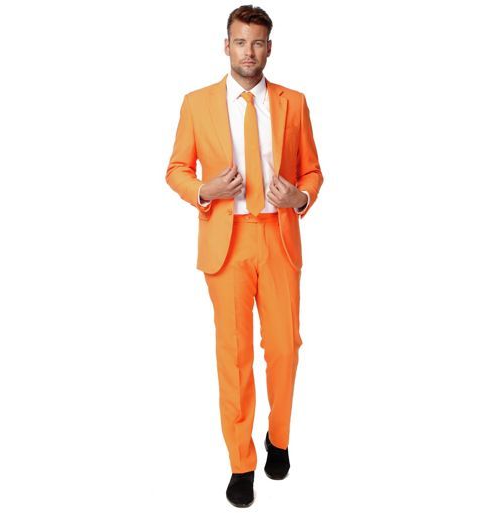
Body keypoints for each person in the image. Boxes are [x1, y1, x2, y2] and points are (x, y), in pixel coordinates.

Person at [165, 4, 324, 508]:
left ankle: (280, 437)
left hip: (278, 237)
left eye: (257, 43)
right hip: (226, 242)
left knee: (284, 349)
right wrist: (205, 190)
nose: (248, 52)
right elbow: (175, 169)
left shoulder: (294, 103)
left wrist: (299, 197)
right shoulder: (197, 103)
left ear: (269, 48)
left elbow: (313, 171)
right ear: (226, 46)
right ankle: (241, 463)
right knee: (233, 357)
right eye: (240, 42)